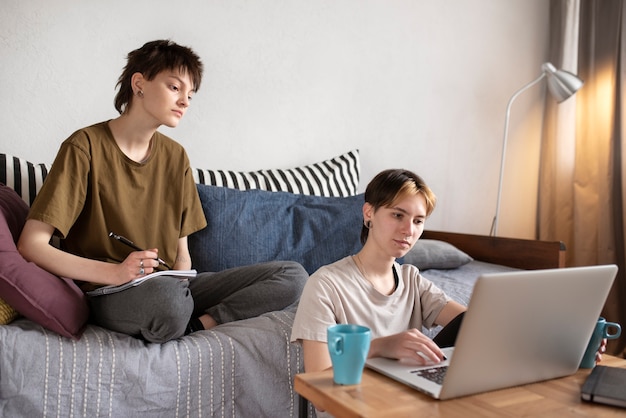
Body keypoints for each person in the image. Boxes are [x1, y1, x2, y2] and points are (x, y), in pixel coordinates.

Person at [17, 39, 307, 343]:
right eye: (175, 87)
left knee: (293, 277)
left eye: (191, 94)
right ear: (139, 83)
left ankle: (198, 325)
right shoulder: (84, 147)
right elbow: (31, 245)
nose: (185, 101)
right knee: (166, 303)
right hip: (111, 291)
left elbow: (182, 257)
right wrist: (117, 274)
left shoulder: (176, 156)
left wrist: (178, 283)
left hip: (170, 286)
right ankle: (177, 315)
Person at [291, 169, 465, 378]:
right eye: (398, 215)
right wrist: (377, 348)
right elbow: (317, 381)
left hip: (411, 395)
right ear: (369, 213)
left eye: (418, 221)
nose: (409, 230)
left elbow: (474, 324)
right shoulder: (325, 284)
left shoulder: (412, 280)